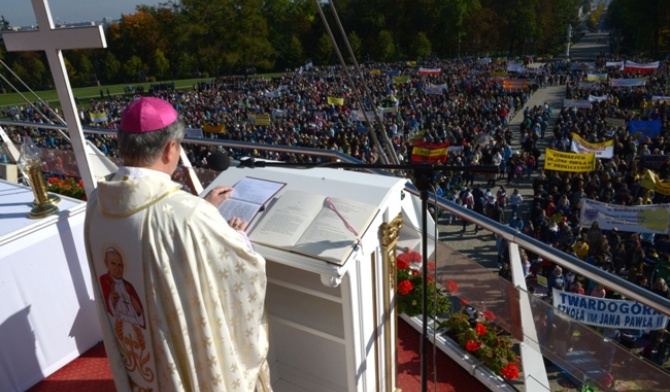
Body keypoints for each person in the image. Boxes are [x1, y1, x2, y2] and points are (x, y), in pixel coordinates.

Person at [84, 97, 272, 391]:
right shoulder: (187, 215)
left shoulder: (99, 203)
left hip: (139, 358)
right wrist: (236, 235)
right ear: (170, 148)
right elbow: (240, 268)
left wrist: (200, 209)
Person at [98, 247, 145, 328]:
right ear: (106, 263)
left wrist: (139, 312)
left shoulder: (129, 286)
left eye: (120, 265)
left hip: (136, 330)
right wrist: (112, 302)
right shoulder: (103, 281)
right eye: (113, 263)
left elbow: (142, 320)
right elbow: (109, 313)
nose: (117, 268)